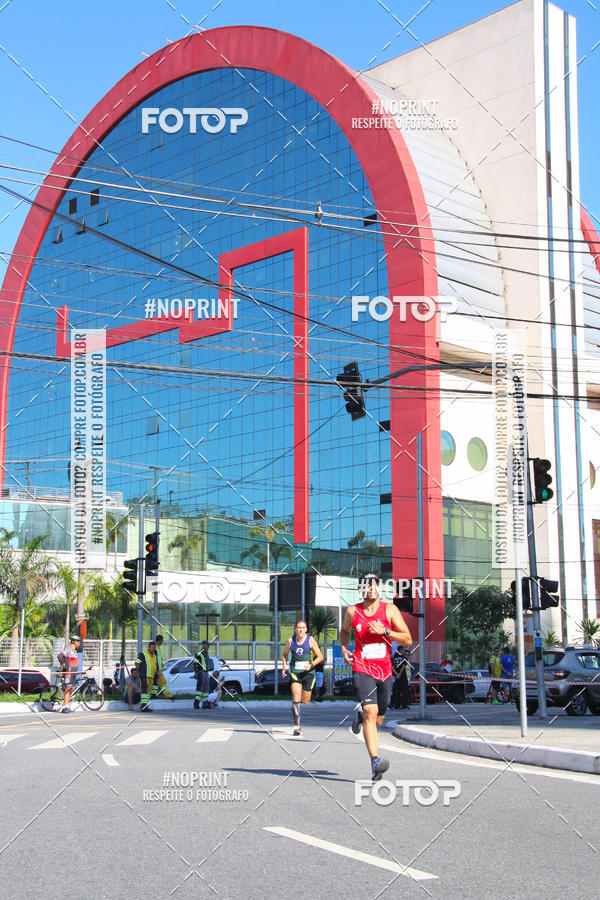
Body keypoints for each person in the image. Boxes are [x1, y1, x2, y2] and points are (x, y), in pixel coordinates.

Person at [341, 573, 411, 781]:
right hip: (362, 668)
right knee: (371, 713)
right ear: (360, 589)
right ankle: (375, 761)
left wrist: (386, 631)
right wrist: (344, 648)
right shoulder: (352, 611)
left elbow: (407, 639)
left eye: (374, 585)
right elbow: (344, 631)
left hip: (384, 671)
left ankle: (360, 717)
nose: (371, 588)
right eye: (366, 585)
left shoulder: (390, 610)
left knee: (378, 720)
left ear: (379, 588)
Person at [282, 620, 324, 735]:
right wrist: (284, 666)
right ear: (295, 629)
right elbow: (284, 654)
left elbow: (320, 657)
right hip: (295, 672)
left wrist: (311, 665)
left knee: (305, 701)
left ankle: (298, 704)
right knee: (296, 696)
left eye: (303, 627)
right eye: (298, 627)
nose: (300, 630)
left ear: (306, 629)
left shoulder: (310, 640)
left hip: (308, 674)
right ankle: (297, 726)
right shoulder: (290, 641)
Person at [58, 634, 81, 713]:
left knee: (70, 689)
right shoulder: (68, 649)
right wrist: (65, 666)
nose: (79, 644)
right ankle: (65, 707)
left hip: (73, 673)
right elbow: (60, 656)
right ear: (74, 642)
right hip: (69, 673)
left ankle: (67, 705)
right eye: (78, 642)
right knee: (67, 689)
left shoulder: (74, 651)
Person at [135, 641, 157, 711]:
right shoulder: (143, 654)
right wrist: (138, 672)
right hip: (144, 675)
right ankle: (143, 706)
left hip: (151, 676)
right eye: (152, 647)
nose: (153, 649)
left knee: (148, 692)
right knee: (144, 691)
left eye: (154, 648)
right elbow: (137, 662)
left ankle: (146, 706)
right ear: (149, 647)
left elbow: (154, 665)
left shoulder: (154, 655)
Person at [152, 634, 174, 701]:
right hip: (157, 669)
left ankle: (154, 694)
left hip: (158, 668)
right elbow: (154, 659)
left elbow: (158, 658)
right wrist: (157, 669)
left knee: (156, 682)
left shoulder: (157, 647)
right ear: (160, 640)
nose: (162, 642)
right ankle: (167, 695)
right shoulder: (155, 648)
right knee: (161, 682)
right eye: (162, 640)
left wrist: (161, 664)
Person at [193, 641, 212, 709]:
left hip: (206, 672)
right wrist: (196, 673)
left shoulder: (206, 654)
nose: (208, 648)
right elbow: (195, 664)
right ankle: (196, 703)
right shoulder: (198, 654)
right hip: (201, 672)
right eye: (207, 646)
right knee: (200, 688)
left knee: (206, 688)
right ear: (204, 646)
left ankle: (205, 704)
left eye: (208, 647)